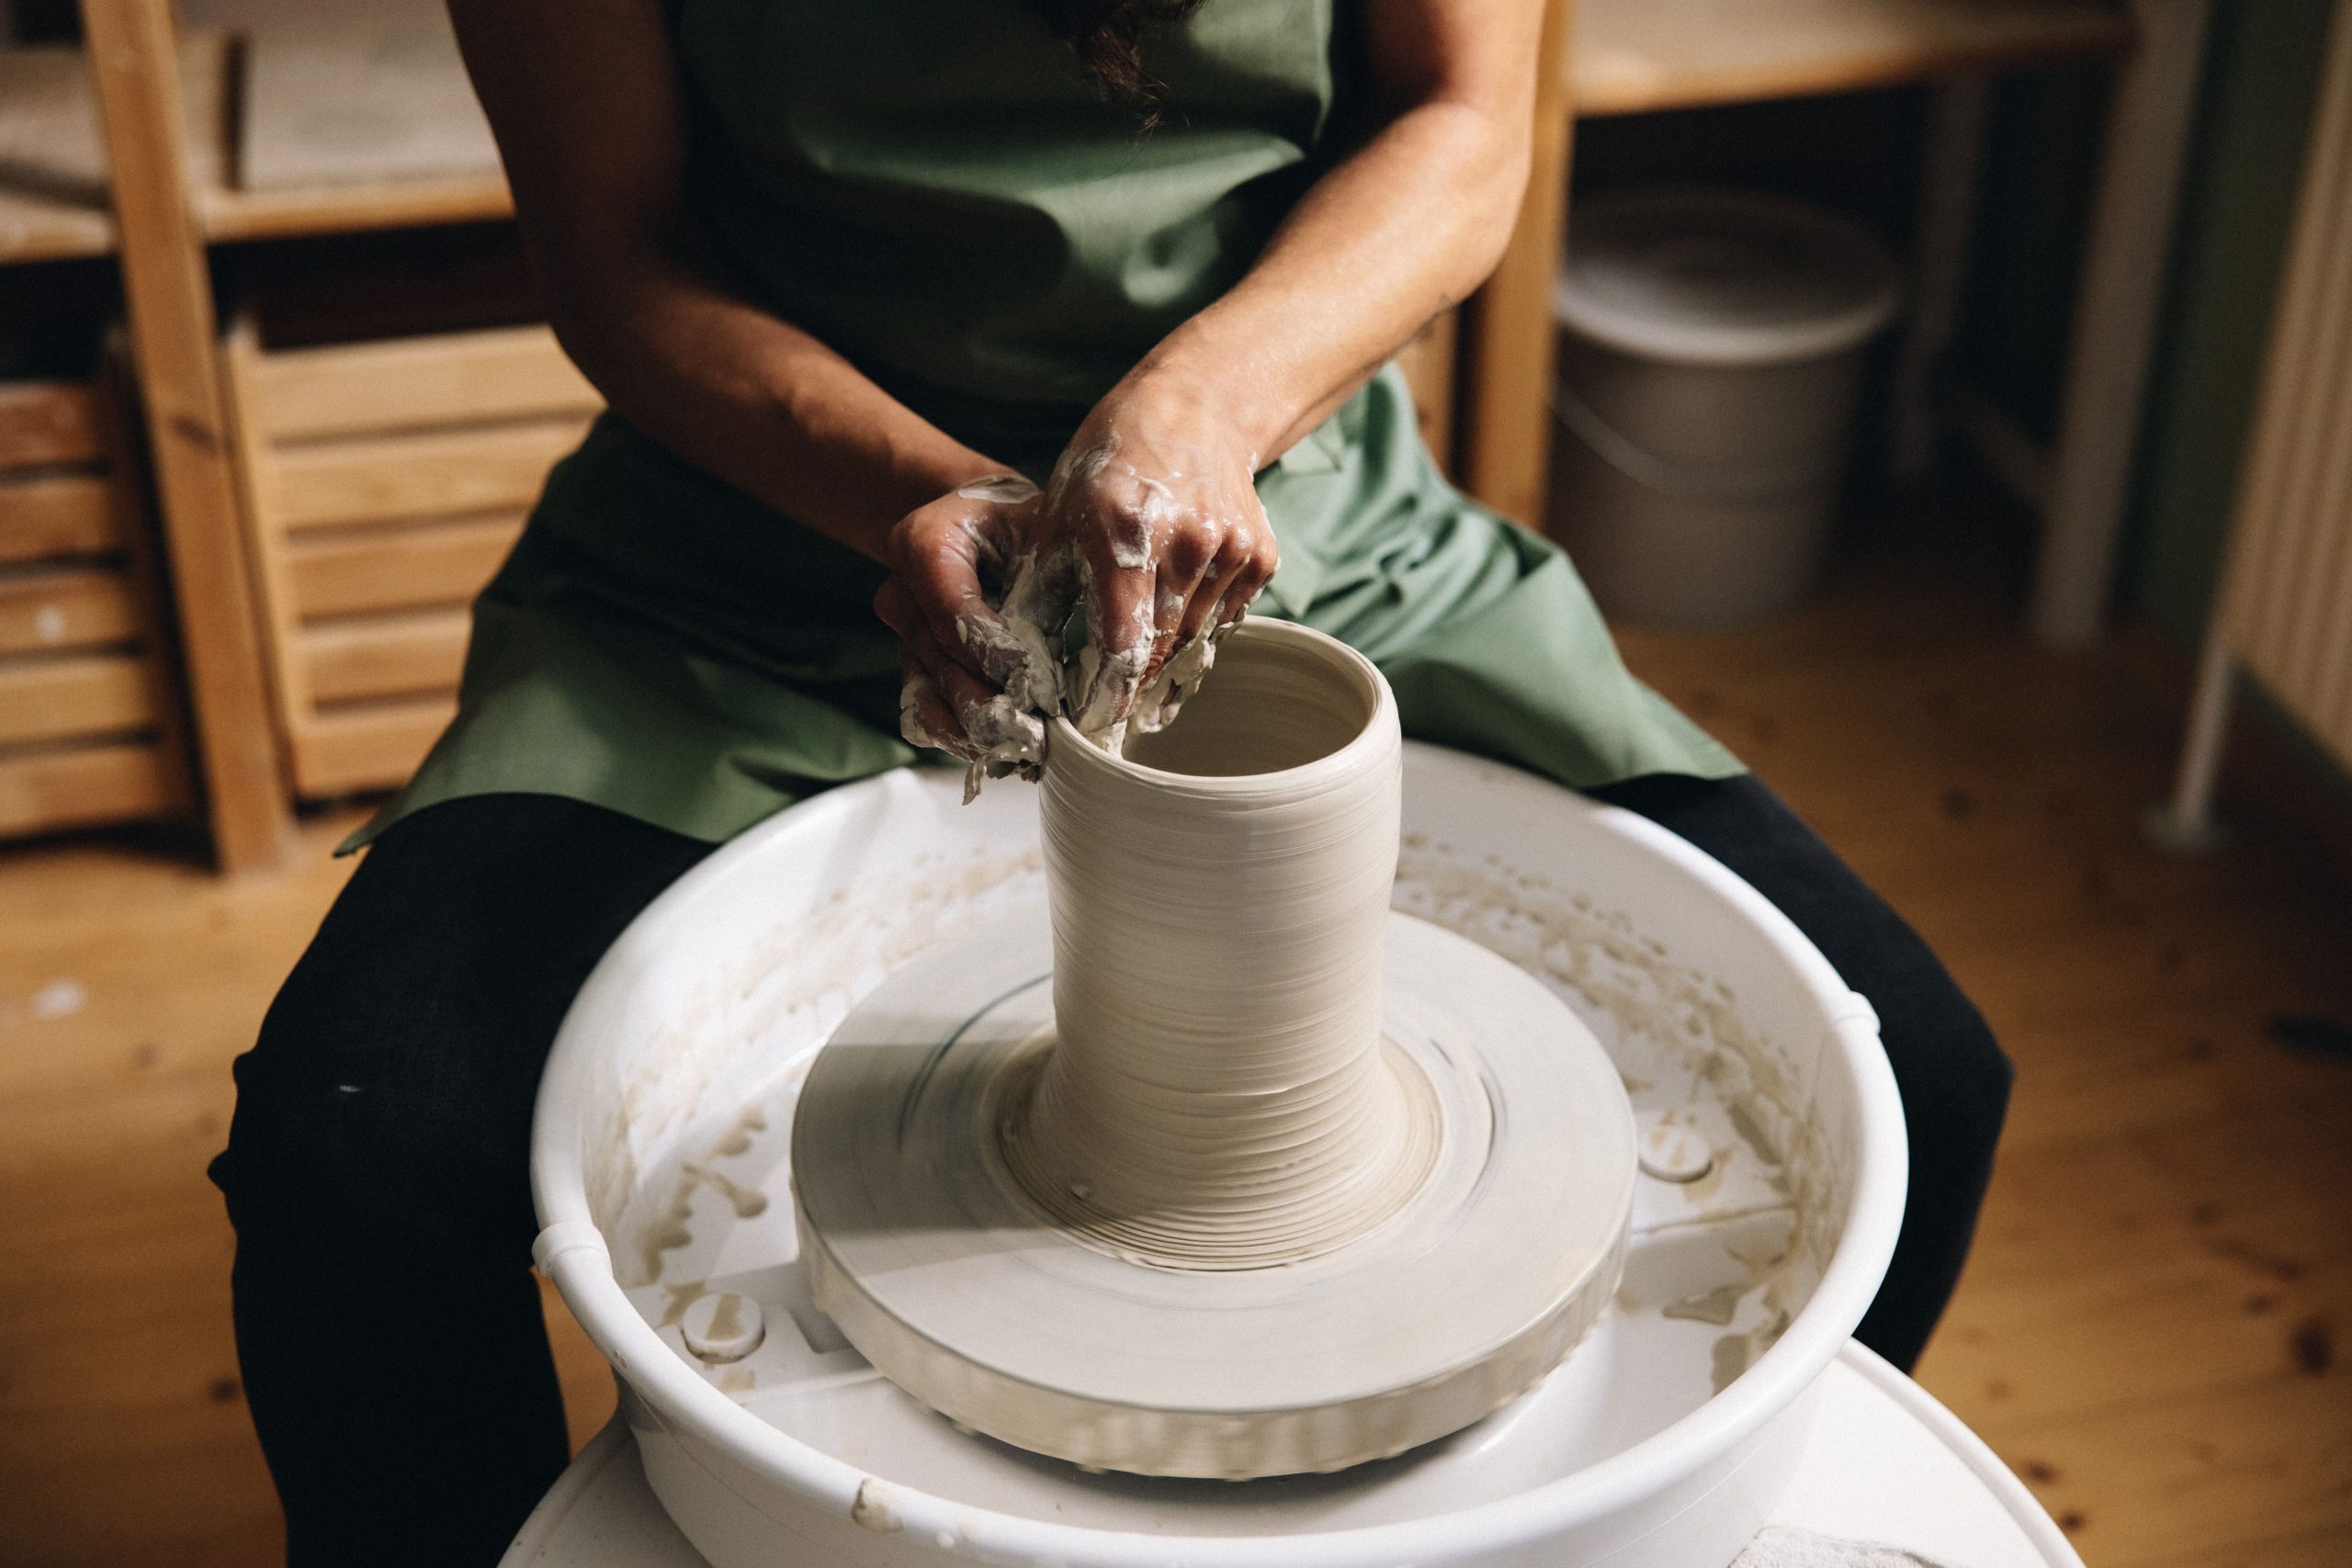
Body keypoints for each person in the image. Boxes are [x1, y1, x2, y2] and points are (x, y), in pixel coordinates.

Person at [208, 2, 2012, 1562]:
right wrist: (913, 494)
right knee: (354, 1149)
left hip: (1289, 517)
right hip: (752, 549)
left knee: (1913, 1068)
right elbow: (614, 250)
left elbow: (1459, 123)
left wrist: (1193, 416)